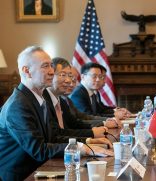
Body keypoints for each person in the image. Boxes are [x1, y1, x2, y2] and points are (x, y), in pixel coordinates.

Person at [0, 46, 113, 180]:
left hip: (42, 169)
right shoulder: (18, 106)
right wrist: (83, 148)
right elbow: (39, 150)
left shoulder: (36, 99)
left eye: (51, 66)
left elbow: (54, 136)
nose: (52, 72)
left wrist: (87, 143)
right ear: (27, 71)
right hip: (22, 175)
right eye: (45, 66)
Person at [43, 57, 117, 140]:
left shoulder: (61, 101)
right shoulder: (43, 102)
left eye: (70, 76)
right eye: (63, 75)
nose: (68, 81)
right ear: (50, 75)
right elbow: (56, 135)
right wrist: (91, 135)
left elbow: (74, 123)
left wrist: (99, 127)